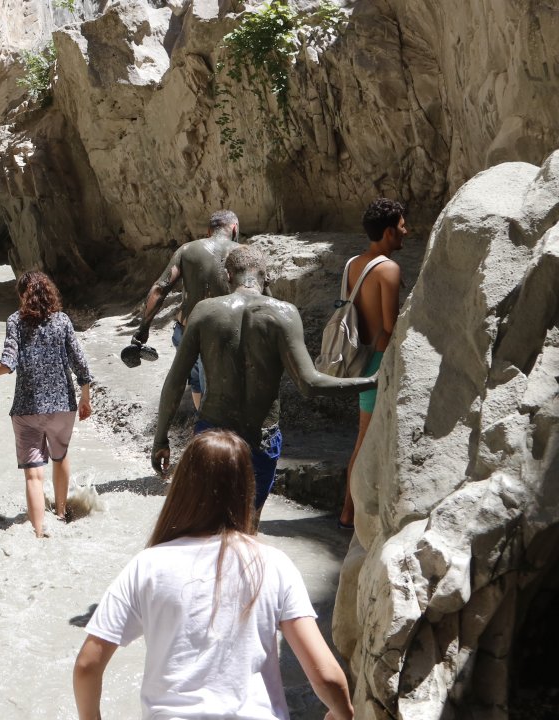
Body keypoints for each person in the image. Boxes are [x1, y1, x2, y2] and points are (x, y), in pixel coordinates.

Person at [73, 430, 355, 720]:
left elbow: (87, 666)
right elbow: (326, 676)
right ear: (246, 490)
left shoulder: (148, 565)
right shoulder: (274, 564)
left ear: (183, 488)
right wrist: (342, 713)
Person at [152, 246, 376, 518]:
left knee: (207, 521)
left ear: (227, 275)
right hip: (261, 438)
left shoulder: (204, 311)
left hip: (213, 434)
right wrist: (372, 381)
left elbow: (175, 381)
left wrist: (160, 439)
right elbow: (310, 383)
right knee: (247, 522)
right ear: (266, 277)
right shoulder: (284, 314)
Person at [0, 271, 93, 537]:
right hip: (63, 405)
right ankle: (61, 515)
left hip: (27, 409)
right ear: (50, 293)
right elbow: (80, 363)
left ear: (21, 296)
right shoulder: (62, 321)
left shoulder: (15, 321)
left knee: (33, 475)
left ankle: (39, 531)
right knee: (60, 456)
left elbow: (7, 364)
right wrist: (85, 397)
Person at [337, 198, 407, 530]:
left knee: (362, 436)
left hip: (357, 357)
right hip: (377, 361)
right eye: (403, 225)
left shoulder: (354, 263)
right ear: (390, 231)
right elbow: (391, 324)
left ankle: (349, 510)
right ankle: (348, 513)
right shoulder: (388, 269)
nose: (407, 231)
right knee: (364, 438)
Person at [135, 210, 242, 409]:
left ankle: (200, 427)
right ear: (234, 228)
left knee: (195, 381)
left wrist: (143, 328)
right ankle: (208, 431)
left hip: (185, 331)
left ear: (209, 230)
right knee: (215, 388)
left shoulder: (187, 250)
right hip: (221, 334)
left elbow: (159, 289)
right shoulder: (242, 253)